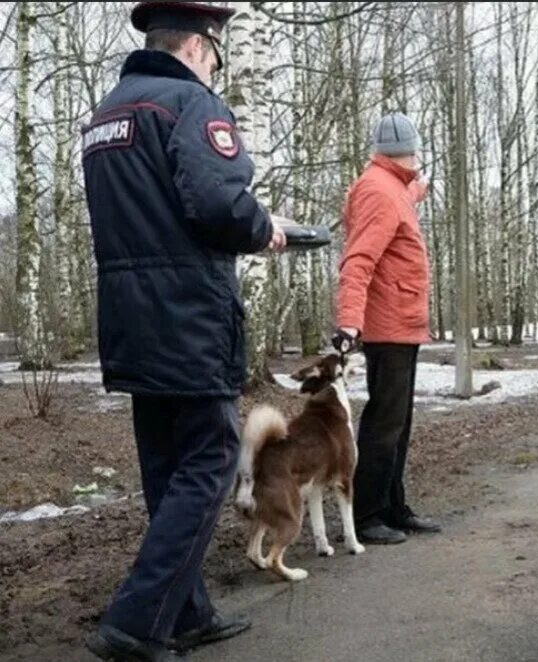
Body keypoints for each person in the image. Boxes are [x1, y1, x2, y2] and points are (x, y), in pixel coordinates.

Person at [80, 2, 287, 660]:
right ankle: (138, 622)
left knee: (167, 469)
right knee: (209, 463)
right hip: (189, 313)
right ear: (200, 46)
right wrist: (265, 228)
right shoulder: (191, 104)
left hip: (131, 315)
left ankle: (187, 610)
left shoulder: (107, 114)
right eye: (214, 55)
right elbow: (218, 203)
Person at [332, 112, 441, 545]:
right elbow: (359, 261)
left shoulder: (393, 185)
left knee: (399, 421)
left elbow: (403, 198)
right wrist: (348, 322)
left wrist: (417, 189)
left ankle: (394, 506)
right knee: (384, 423)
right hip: (387, 324)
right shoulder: (378, 190)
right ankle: (368, 516)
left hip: (403, 321)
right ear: (406, 151)